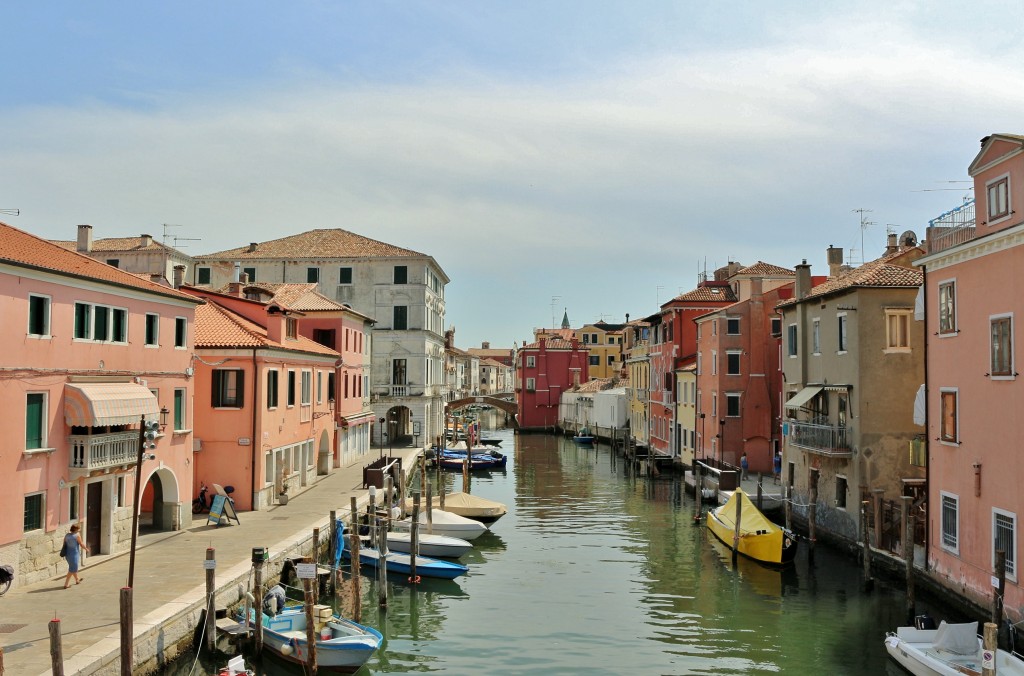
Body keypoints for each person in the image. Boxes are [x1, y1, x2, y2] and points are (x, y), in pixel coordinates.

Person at [63, 524, 88, 588]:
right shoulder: (77, 535)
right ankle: (66, 584)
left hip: (67, 554)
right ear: (76, 529)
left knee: (73, 567)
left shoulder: (66, 535)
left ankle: (77, 579)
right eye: (78, 529)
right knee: (72, 569)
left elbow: (64, 545)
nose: (79, 530)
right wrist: (86, 549)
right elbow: (81, 544)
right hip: (74, 554)